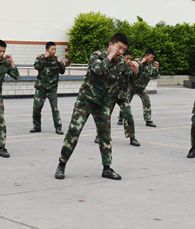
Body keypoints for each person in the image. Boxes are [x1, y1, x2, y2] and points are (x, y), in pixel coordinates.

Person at [55, 33, 130, 180]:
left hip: (103, 103)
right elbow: (98, 69)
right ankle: (61, 165)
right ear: (111, 44)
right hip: (85, 101)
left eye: (123, 49)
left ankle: (107, 168)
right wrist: (110, 56)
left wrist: (135, 70)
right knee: (73, 132)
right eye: (119, 48)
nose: (121, 52)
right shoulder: (97, 55)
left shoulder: (121, 61)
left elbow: (126, 78)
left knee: (105, 136)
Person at [97, 49, 140, 146]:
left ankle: (132, 137)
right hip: (110, 95)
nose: (129, 61)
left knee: (128, 115)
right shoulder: (113, 64)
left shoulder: (127, 67)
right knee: (105, 116)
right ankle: (99, 135)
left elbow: (133, 77)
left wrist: (135, 70)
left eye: (130, 59)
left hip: (122, 96)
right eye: (127, 58)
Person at [30, 42, 65, 135]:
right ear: (47, 50)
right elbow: (36, 66)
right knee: (37, 108)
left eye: (55, 49)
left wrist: (60, 63)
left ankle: (58, 127)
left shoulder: (56, 59)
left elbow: (62, 71)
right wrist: (44, 58)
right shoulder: (40, 57)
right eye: (52, 49)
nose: (54, 51)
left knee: (55, 108)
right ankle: (36, 126)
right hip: (41, 88)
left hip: (52, 89)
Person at [120, 48, 159, 127]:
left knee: (147, 102)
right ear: (146, 55)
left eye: (153, 58)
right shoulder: (136, 61)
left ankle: (148, 120)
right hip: (131, 86)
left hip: (141, 88)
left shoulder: (150, 65)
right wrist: (141, 62)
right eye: (151, 57)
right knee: (126, 102)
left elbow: (154, 75)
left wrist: (156, 67)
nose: (152, 59)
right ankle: (121, 118)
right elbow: (132, 70)